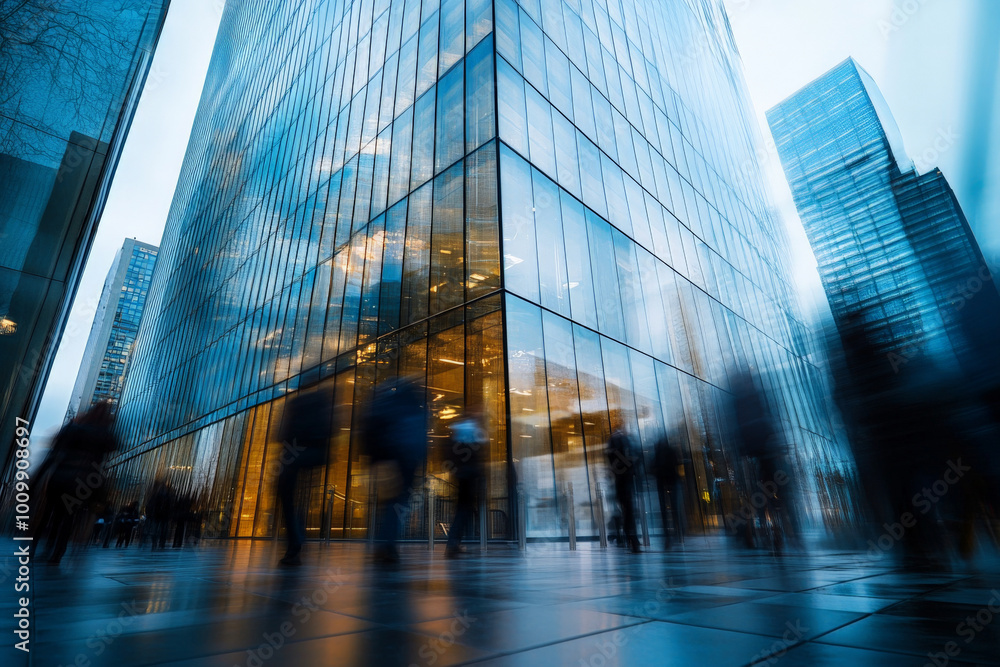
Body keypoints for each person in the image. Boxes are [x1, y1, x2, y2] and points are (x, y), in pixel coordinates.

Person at [34, 402, 118, 563]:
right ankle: (58, 553)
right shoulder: (104, 433)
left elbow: (56, 450)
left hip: (60, 476)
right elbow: (113, 446)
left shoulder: (76, 429)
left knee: (51, 513)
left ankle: (43, 547)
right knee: (69, 516)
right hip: (83, 480)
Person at [362, 377, 428, 563]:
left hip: (388, 460)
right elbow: (420, 436)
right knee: (397, 505)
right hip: (406, 461)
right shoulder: (415, 407)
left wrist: (373, 459)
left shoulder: (386, 404)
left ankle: (385, 544)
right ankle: (387, 545)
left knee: (389, 504)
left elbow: (370, 430)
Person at [276, 386, 334, 565]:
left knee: (289, 498)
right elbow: (331, 428)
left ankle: (295, 541)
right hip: (312, 456)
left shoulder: (296, 402)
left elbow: (283, 432)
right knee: (302, 499)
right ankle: (298, 536)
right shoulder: (324, 401)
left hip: (293, 456)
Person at [444, 413, 487, 558]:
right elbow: (475, 456)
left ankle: (454, 543)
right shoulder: (473, 431)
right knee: (464, 510)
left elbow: (451, 455)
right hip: (469, 476)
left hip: (462, 476)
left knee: (462, 509)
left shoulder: (458, 431)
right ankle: (453, 543)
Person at [606, 417, 641, 553]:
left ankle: (630, 538)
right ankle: (631, 538)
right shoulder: (621, 440)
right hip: (624, 480)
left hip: (622, 480)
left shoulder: (618, 440)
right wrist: (630, 464)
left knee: (628, 510)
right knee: (629, 511)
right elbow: (625, 460)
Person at [652, 434, 684, 547]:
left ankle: (669, 534)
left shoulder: (657, 453)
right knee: (674, 509)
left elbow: (652, 468)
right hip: (672, 481)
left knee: (665, 511)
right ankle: (677, 532)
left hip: (663, 483)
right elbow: (677, 464)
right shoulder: (671, 451)